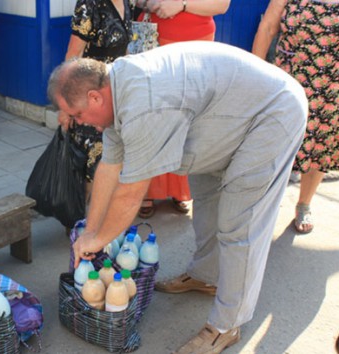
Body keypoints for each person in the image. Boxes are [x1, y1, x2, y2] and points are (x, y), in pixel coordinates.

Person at [49, 42, 307, 353]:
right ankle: (207, 276)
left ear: (94, 96)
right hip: (227, 116)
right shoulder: (115, 92)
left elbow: (130, 195)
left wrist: (99, 239)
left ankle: (227, 325)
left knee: (239, 225)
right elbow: (109, 167)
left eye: (77, 114)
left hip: (271, 115)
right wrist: (91, 230)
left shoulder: (144, 103)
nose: (77, 122)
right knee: (207, 201)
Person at [133, 0, 230, 218]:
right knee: (153, 116)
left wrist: (182, 4)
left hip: (198, 43)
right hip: (154, 39)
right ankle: (147, 189)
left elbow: (222, 5)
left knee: (190, 120)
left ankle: (181, 189)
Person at [252, 0, 338, 234]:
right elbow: (268, 27)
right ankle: (261, 206)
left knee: (320, 147)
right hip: (289, 82)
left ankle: (304, 204)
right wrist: (255, 75)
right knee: (274, 148)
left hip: (331, 87)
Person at [58, 0, 133, 207]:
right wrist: (66, 106)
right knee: (90, 164)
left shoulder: (127, 4)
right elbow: (73, 56)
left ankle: (101, 216)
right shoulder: (89, 4)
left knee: (112, 159)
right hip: (88, 100)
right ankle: (82, 220)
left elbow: (124, 52)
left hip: (114, 99)